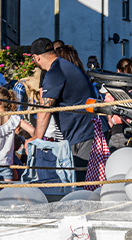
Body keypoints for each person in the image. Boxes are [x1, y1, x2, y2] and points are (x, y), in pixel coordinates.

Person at [25, 36, 96, 188]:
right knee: (82, 181)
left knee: (81, 184)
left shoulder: (55, 72)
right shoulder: (64, 66)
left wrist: (36, 140)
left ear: (36, 57)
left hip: (83, 134)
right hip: (85, 130)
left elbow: (45, 110)